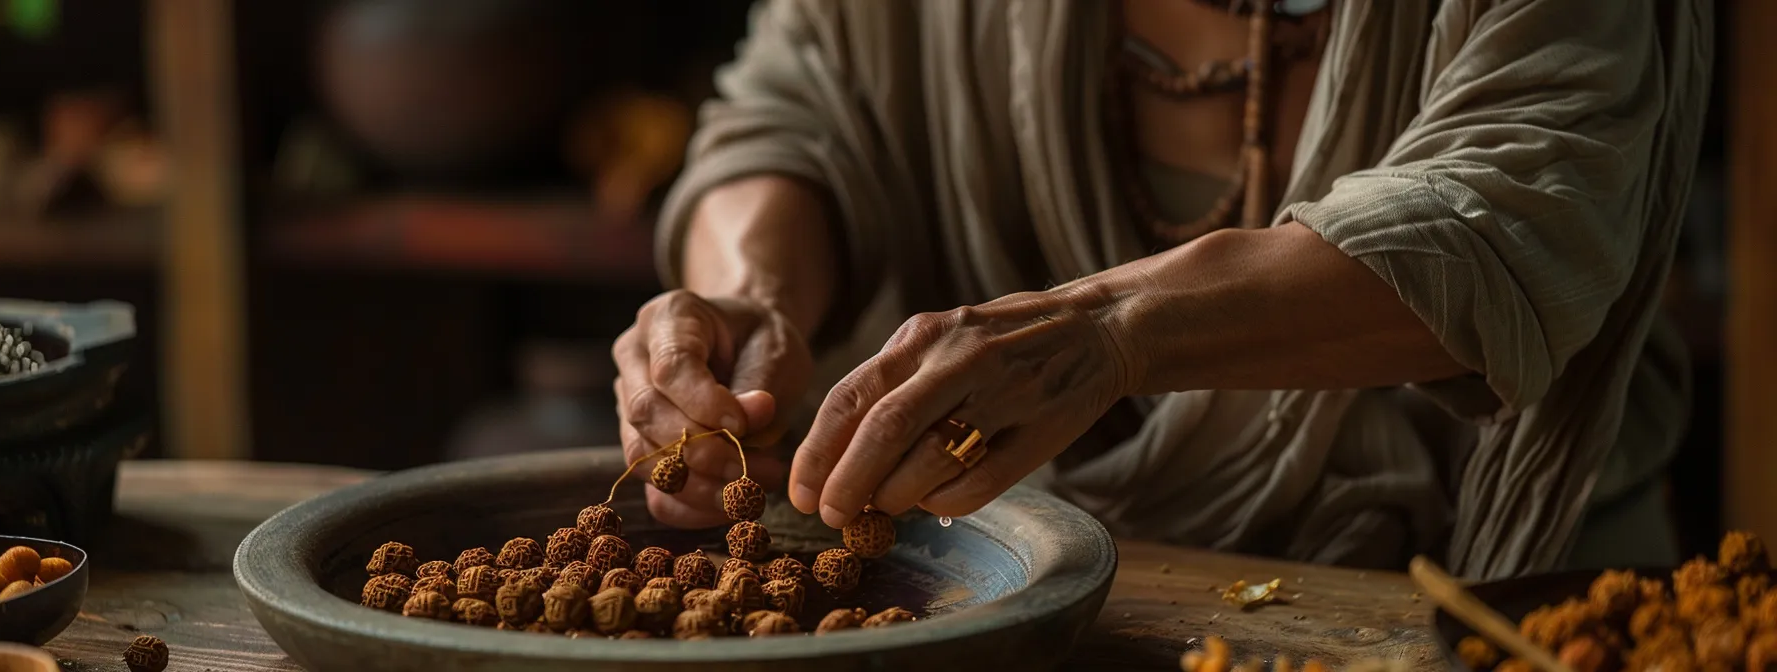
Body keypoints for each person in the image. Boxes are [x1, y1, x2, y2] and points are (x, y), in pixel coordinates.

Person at [610, 0, 1711, 578]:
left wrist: (1110, 328)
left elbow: (1519, 207)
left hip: (1487, 585)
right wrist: (753, 299)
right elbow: (798, 106)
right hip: (1012, 580)